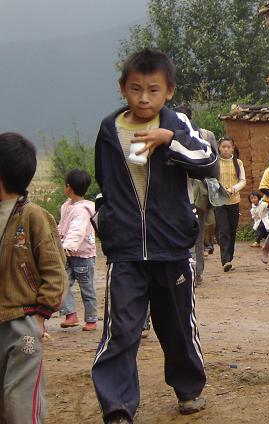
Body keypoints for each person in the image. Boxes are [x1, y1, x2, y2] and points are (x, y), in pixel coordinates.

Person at [91, 48, 218, 422]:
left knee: (177, 326)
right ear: (122, 88)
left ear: (169, 91)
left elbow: (208, 163)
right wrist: (107, 219)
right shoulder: (109, 128)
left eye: (153, 90)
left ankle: (188, 388)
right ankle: (117, 406)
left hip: (172, 248)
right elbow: (106, 180)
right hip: (126, 250)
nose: (144, 98)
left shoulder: (175, 123)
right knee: (122, 330)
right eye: (135, 89)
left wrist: (170, 139)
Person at [0, 132, 66, 423]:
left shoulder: (33, 216)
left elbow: (55, 270)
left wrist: (41, 316)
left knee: (20, 403)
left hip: (23, 323)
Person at [174, 105, 219, 286]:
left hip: (181, 194)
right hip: (199, 194)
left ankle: (187, 272)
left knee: (182, 235)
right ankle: (196, 272)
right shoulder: (206, 135)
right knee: (198, 234)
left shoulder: (170, 134)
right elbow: (214, 166)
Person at [58, 169, 98, 331]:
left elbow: (77, 231)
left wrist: (67, 247)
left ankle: (92, 319)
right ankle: (70, 315)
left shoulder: (81, 210)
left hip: (83, 256)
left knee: (87, 288)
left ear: (68, 187)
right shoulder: (67, 206)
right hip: (68, 255)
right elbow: (63, 227)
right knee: (62, 284)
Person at [215, 135, 246, 272]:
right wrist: (221, 189)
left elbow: (243, 180)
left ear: (233, 148)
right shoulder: (215, 162)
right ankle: (225, 260)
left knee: (232, 230)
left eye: (228, 147)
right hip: (219, 200)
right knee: (223, 230)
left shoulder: (237, 163)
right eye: (223, 147)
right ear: (219, 148)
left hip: (234, 200)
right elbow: (211, 180)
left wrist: (234, 189)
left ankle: (230, 257)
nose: (226, 149)